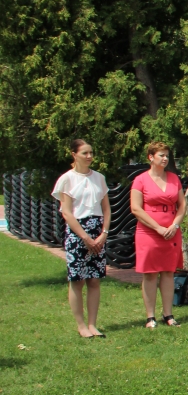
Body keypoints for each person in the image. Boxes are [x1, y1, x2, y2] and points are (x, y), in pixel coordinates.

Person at [53, 139, 111, 338]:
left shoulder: (99, 178)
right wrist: (84, 237)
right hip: (78, 231)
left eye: (91, 153)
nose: (89, 156)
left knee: (94, 280)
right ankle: (81, 325)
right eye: (85, 153)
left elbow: (106, 209)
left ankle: (93, 324)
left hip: (98, 230)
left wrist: (104, 233)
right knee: (77, 280)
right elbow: (67, 212)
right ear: (74, 154)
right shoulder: (67, 179)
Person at [131, 141, 186, 328]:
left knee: (168, 272)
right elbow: (136, 208)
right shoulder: (140, 180)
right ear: (151, 157)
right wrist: (158, 228)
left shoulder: (173, 178)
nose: (165, 159)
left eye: (167, 156)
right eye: (161, 155)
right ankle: (150, 317)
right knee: (150, 274)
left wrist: (175, 225)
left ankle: (168, 314)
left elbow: (182, 205)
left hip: (171, 231)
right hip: (149, 231)